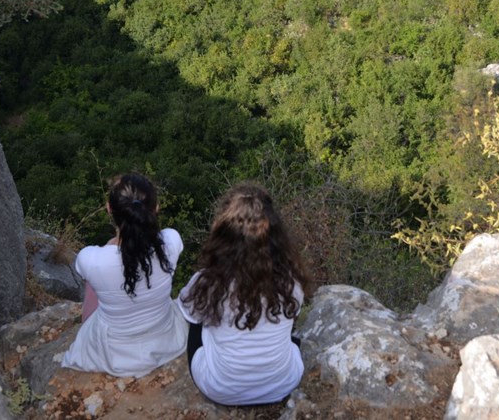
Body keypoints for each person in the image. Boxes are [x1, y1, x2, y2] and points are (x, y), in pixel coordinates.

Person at [178, 182, 312, 406]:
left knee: (195, 321)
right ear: (276, 236)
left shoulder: (208, 282)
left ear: (223, 235)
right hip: (283, 383)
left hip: (221, 389)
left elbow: (186, 311)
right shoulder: (292, 281)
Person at [61, 173, 187, 377]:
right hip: (164, 338)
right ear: (156, 208)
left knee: (94, 286)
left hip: (114, 352)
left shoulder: (91, 259)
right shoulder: (171, 242)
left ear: (109, 209)